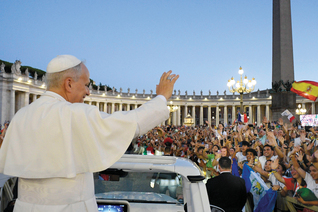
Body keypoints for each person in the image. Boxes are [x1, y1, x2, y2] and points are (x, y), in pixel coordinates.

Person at [0, 55, 179, 212]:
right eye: (86, 85)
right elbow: (132, 122)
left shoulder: (20, 116)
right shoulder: (75, 113)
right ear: (69, 83)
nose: (88, 91)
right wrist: (161, 97)